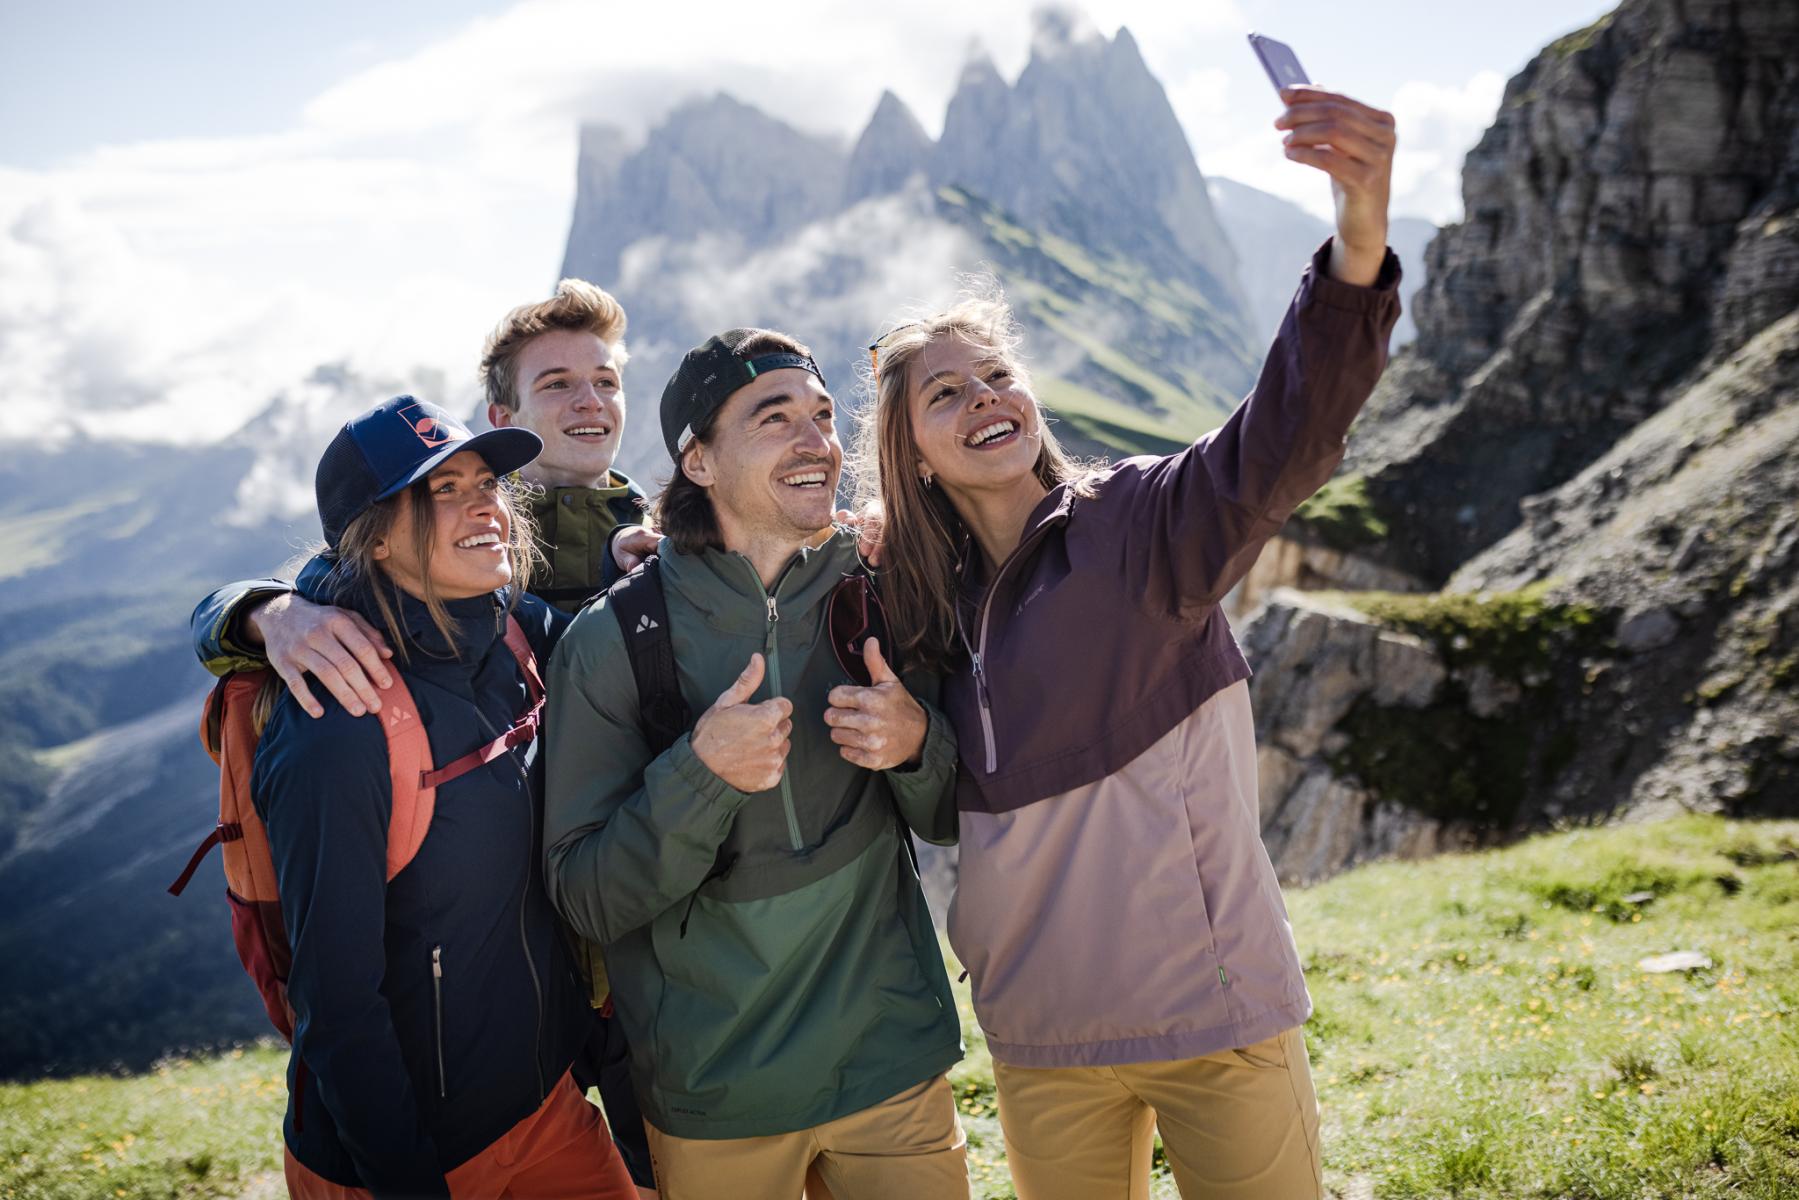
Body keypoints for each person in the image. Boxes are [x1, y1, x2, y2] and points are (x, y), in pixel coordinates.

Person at [850, 86, 1402, 1200]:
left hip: (1213, 1013)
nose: (983, 398)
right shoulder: (909, 606)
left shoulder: (1144, 524)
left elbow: (1283, 438)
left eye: (997, 375)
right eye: (943, 394)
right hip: (1040, 1038)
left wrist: (1357, 238)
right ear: (909, 452)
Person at [192, 281, 661, 1196]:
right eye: (441, 491)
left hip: (548, 1107)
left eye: (485, 482)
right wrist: (259, 611)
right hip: (405, 1155)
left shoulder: (516, 630)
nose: (483, 504)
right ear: (371, 539)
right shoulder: (341, 716)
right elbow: (336, 1007)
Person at [542, 329, 968, 1199]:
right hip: (718, 1089)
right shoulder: (611, 643)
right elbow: (584, 894)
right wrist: (699, 777)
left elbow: (948, 812)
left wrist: (917, 745)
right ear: (697, 460)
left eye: (820, 416)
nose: (818, 443)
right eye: (774, 420)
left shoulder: (881, 587)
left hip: (890, 1059)